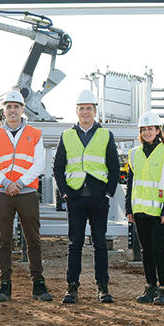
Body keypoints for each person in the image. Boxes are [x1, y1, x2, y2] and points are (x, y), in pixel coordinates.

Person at [53, 90, 120, 304]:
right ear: (76, 111)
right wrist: (64, 192)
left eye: (89, 108)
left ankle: (102, 286)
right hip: (75, 197)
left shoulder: (105, 134)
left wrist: (108, 192)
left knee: (100, 243)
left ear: (95, 111)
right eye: (81, 108)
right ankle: (72, 287)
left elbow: (114, 167)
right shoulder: (66, 136)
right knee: (75, 244)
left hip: (99, 197)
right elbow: (58, 167)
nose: (85, 112)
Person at [0, 89, 52, 302]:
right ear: (4, 110)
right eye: (9, 107)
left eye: (16, 106)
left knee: (33, 239)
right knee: (4, 240)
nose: (13, 110)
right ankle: (5, 285)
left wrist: (20, 183)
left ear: (23, 109)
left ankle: (38, 284)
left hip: (27, 193)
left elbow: (39, 164)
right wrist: (7, 183)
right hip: (2, 193)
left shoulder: (35, 133)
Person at [125, 111, 164, 305]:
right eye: (144, 129)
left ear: (158, 130)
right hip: (139, 210)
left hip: (159, 212)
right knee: (146, 250)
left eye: (151, 129)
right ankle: (150, 287)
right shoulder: (134, 154)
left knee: (158, 249)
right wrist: (128, 208)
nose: (147, 132)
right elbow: (130, 183)